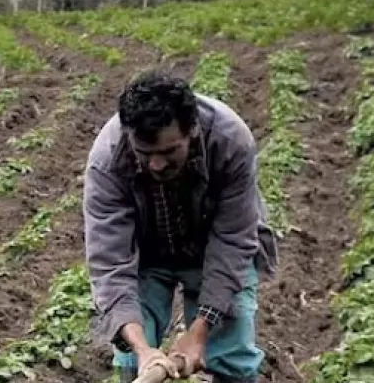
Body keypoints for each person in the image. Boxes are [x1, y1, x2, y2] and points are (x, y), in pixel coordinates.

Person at [82, 69, 277, 383]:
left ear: (192, 131)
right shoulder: (108, 159)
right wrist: (143, 350)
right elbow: (111, 264)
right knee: (131, 354)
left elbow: (233, 241)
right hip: (145, 253)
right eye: (145, 154)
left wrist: (198, 333)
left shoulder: (229, 141)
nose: (156, 164)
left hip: (213, 245)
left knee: (230, 355)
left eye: (169, 151)